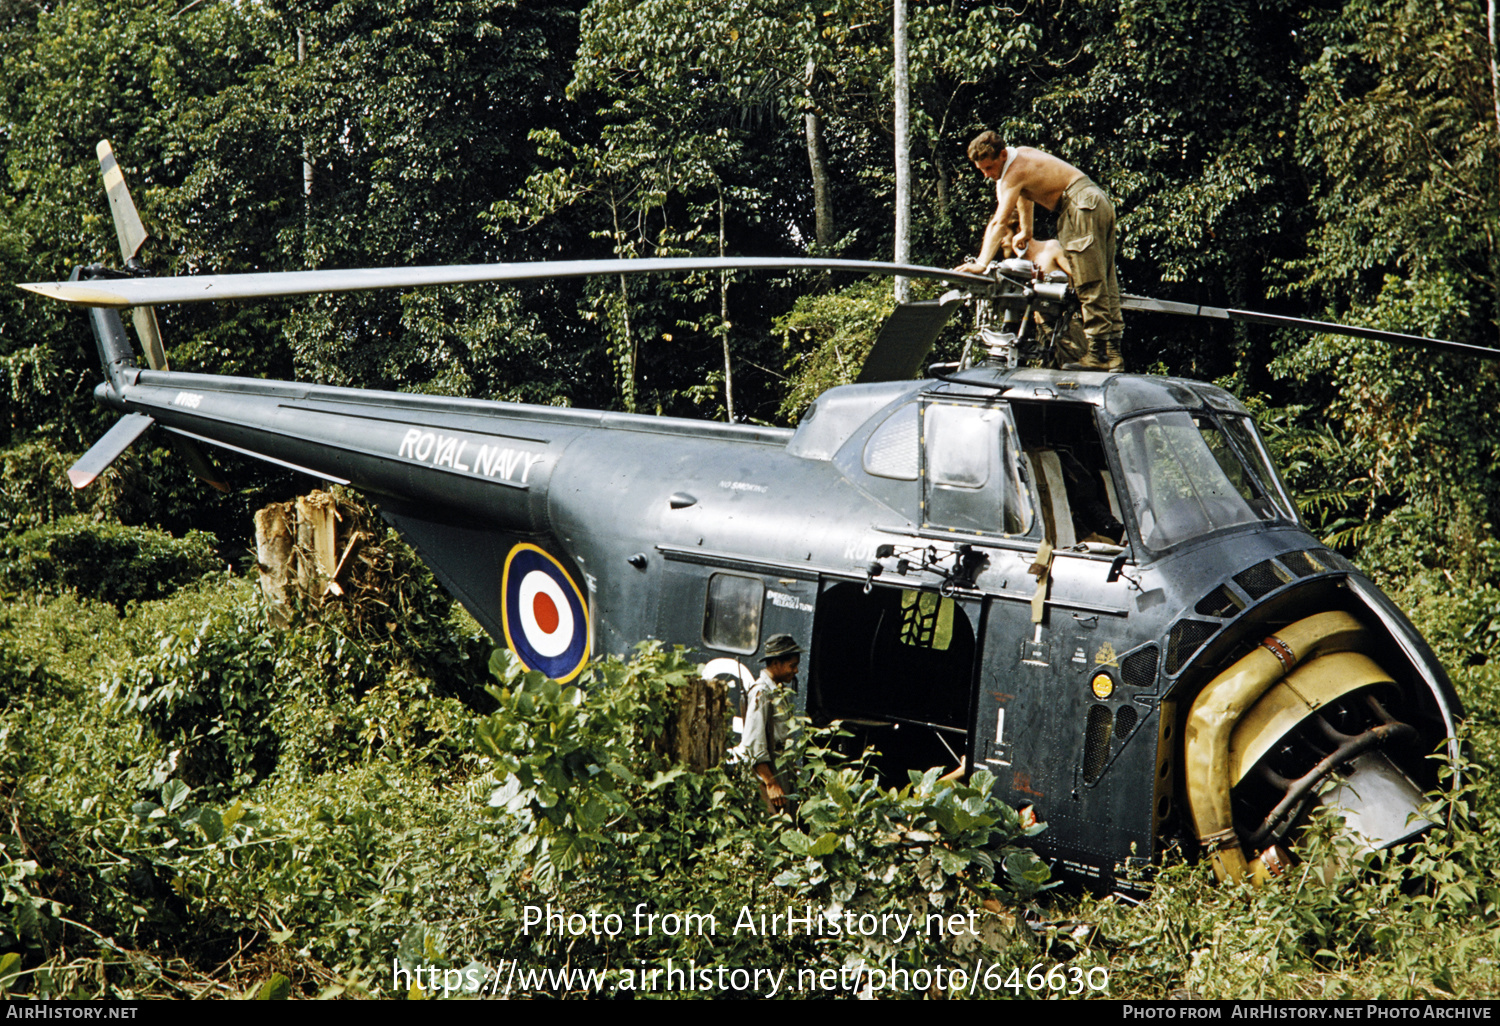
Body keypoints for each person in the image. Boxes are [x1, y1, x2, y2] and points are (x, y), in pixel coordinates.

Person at [955, 131, 1124, 372]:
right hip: (1096, 201)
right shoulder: (1021, 157)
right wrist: (1027, 230)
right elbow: (1026, 196)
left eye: (989, 167)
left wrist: (982, 263)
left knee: (1089, 283)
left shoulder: (1012, 173)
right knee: (1106, 282)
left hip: (1079, 207)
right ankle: (1114, 355)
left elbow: (999, 222)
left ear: (1002, 155)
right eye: (981, 169)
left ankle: (1098, 354)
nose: (986, 175)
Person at [734, 633, 801, 813]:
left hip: (780, 771)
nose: (795, 671)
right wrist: (771, 783)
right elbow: (754, 745)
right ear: (776, 663)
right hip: (769, 775)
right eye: (792, 666)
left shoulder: (777, 693)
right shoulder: (762, 693)